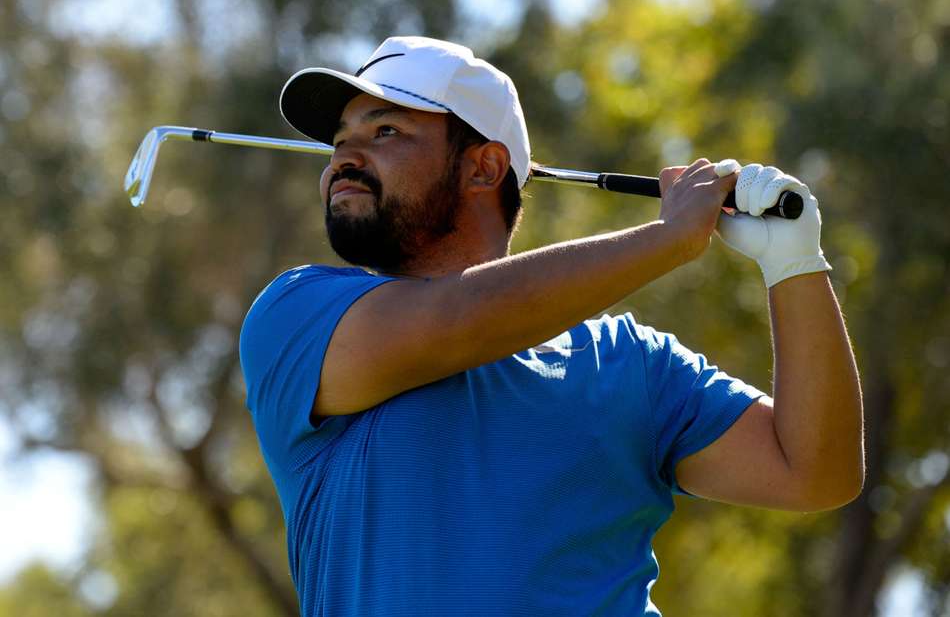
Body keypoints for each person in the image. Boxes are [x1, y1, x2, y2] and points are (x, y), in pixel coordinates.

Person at [239, 36, 864, 616]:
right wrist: (669, 239)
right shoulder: (297, 317)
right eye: (340, 139)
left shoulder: (630, 362)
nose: (344, 157)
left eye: (386, 130)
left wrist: (795, 265)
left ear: (483, 167)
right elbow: (455, 320)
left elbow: (816, 472)